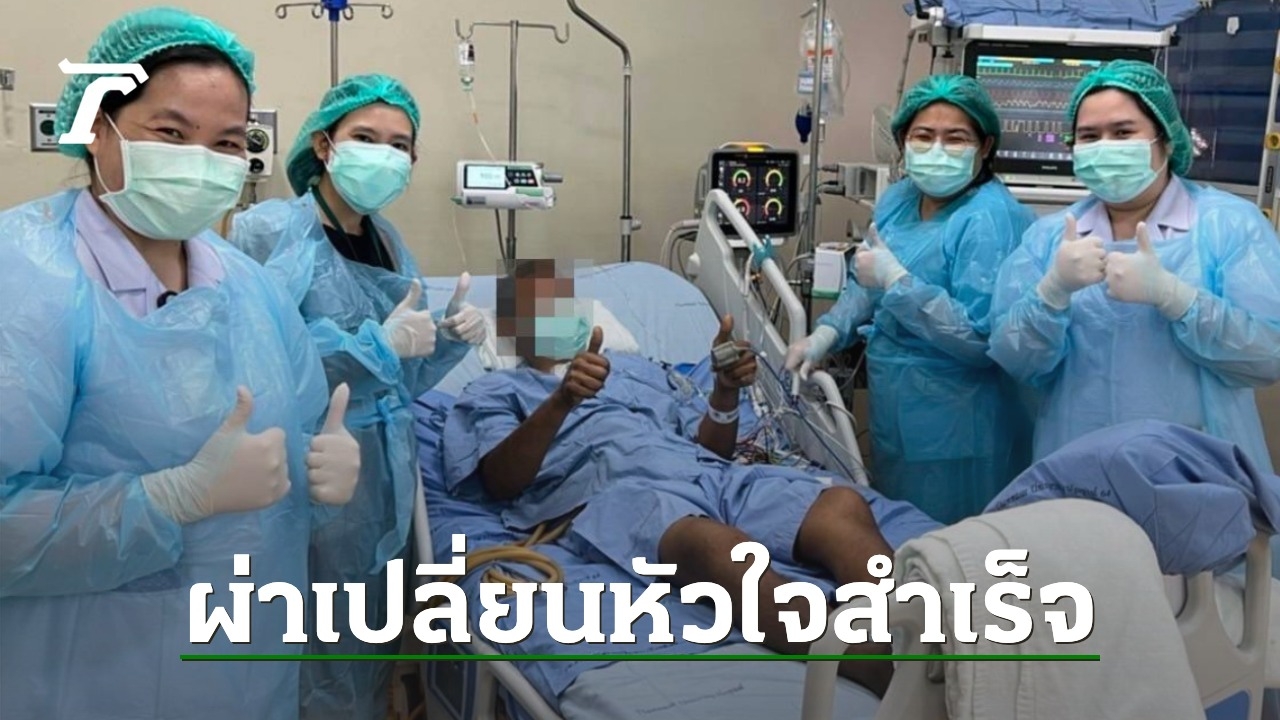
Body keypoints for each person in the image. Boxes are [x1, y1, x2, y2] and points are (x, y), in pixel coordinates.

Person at [0, 8, 362, 719]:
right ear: (96, 128)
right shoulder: (25, 277)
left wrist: (322, 459)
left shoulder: (249, 287)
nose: (201, 159)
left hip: (245, 666)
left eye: (227, 142)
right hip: (82, 676)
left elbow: (287, 436)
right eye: (170, 133)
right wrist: (166, 501)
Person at [443, 259, 899, 696]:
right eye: (539, 305)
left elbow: (711, 448)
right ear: (512, 326)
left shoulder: (640, 370)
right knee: (718, 548)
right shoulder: (496, 389)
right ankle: (869, 663)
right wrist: (561, 401)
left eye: (562, 300)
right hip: (619, 495)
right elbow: (500, 481)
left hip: (705, 472)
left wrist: (725, 391)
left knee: (842, 506)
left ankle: (911, 629)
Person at [230, 74, 484, 719]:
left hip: (384, 468)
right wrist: (377, 344)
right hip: (304, 464)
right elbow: (259, 358)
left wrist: (444, 341)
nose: (383, 155)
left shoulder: (388, 241)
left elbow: (399, 381)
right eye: (365, 138)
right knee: (302, 637)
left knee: (366, 637)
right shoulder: (270, 231)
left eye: (399, 145)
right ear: (324, 145)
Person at [987, 60, 1280, 478]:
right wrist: (1051, 293)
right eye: (1089, 136)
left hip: (1197, 471)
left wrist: (1177, 298)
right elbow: (1017, 362)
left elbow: (1266, 358)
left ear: (1166, 139)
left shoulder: (1228, 225)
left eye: (1123, 132)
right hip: (1077, 465)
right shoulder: (1050, 238)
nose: (1105, 146)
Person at [785, 75, 1037, 524]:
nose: (937, 149)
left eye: (955, 138)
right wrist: (826, 334)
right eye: (923, 135)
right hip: (897, 404)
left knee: (949, 545)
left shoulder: (990, 219)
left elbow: (981, 339)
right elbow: (867, 278)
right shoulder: (900, 200)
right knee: (901, 530)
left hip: (963, 422)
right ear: (902, 141)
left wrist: (898, 281)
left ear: (985, 145)